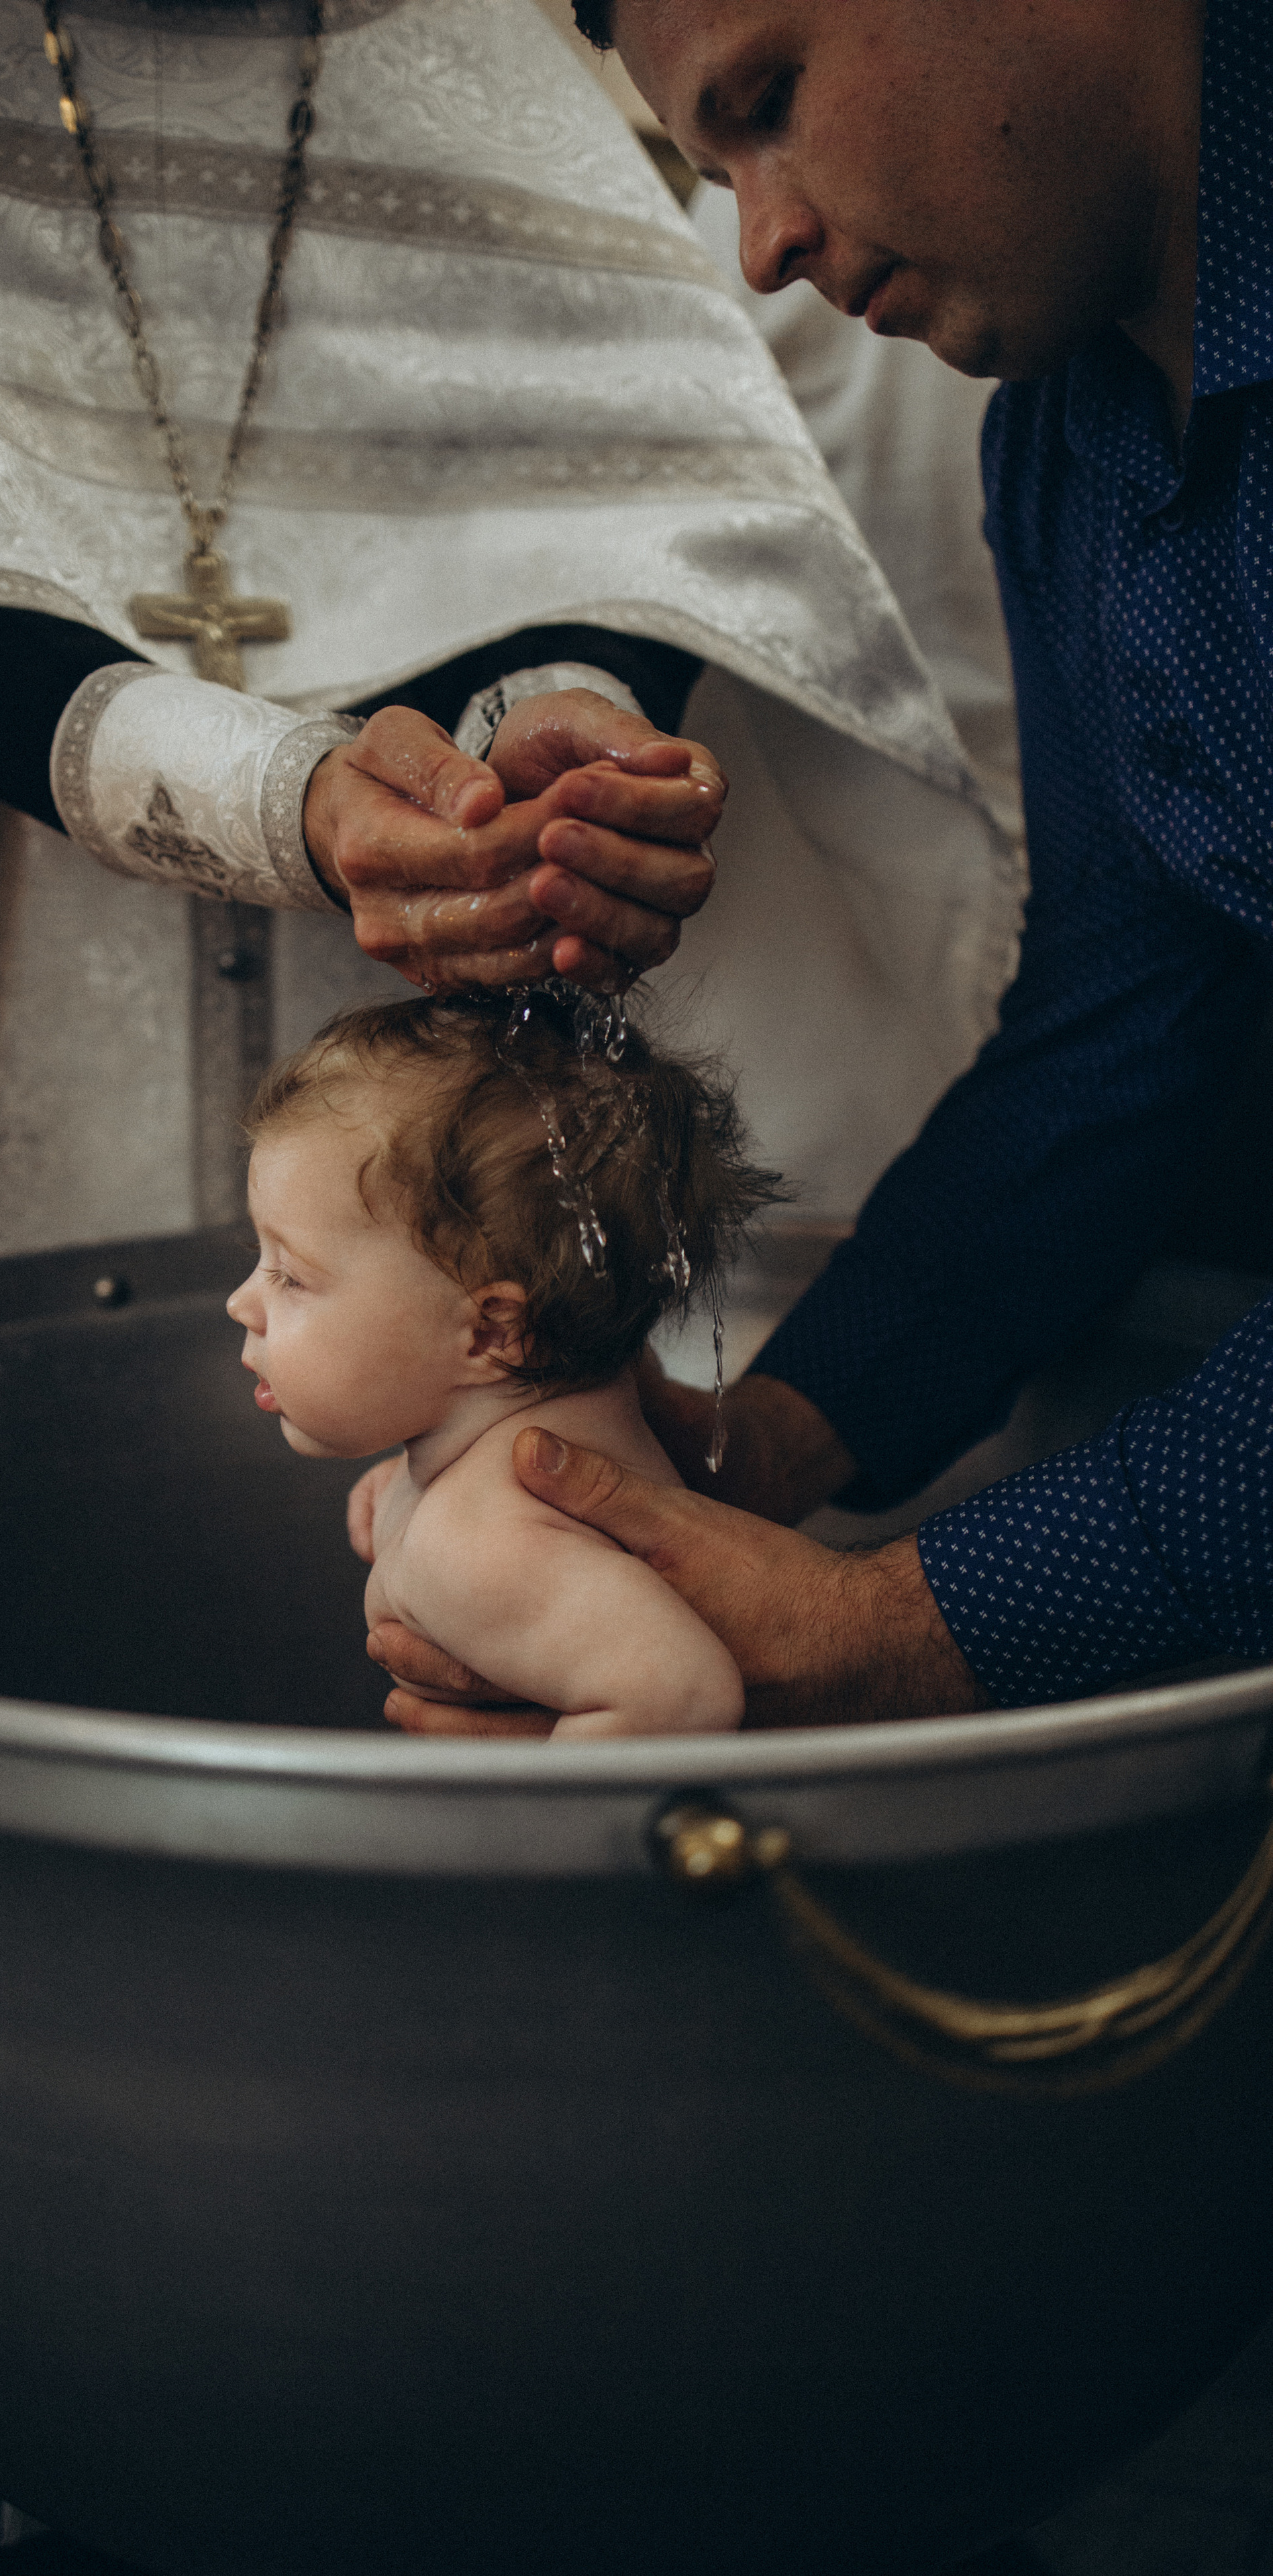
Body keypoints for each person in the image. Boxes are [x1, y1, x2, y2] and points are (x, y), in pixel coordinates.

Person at [0, 0, 1015, 2560]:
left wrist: (568, 738)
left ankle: (411, 2244)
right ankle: (49, 2247)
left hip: (431, 1041)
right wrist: (253, 784)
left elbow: (617, 505)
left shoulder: (469, 45)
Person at [376, 0, 1273, 1738]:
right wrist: (757, 1451)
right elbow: (1124, 1027)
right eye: (717, 169)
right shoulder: (1068, 437)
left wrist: (907, 1623)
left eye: (772, 103)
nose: (768, 243)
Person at [230, 991, 771, 1733]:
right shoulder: (544, 1423)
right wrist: (406, 1481)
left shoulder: (482, 1544)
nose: (241, 1303)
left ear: (489, 1333)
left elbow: (681, 1698)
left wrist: (527, 1840)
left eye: (290, 1276)